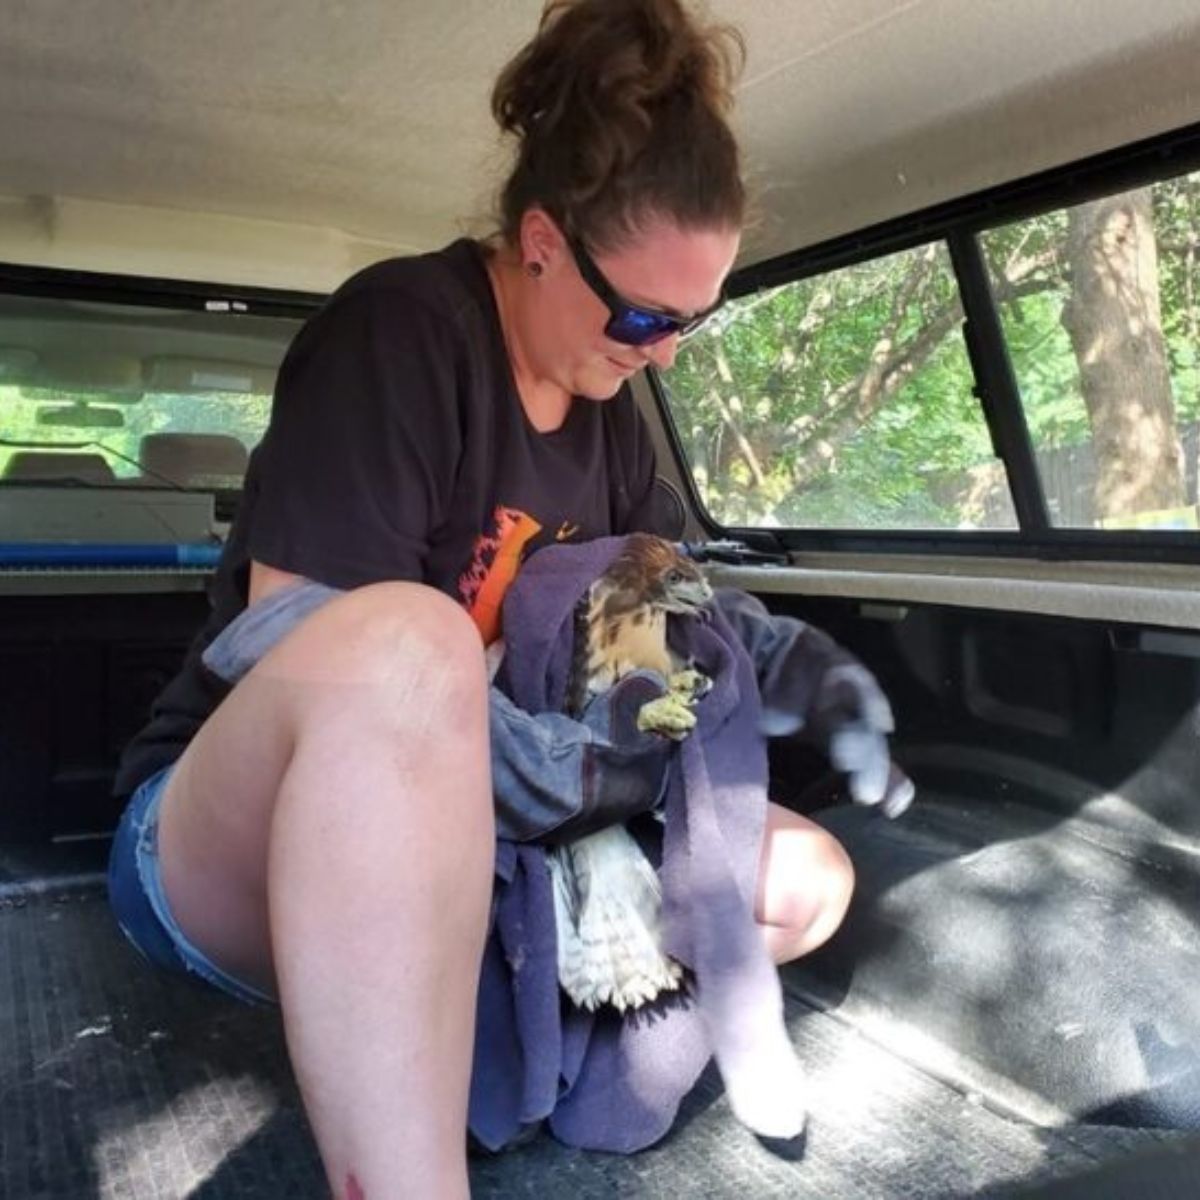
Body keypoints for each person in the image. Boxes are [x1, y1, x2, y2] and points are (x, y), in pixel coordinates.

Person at [106, 2, 863, 1196]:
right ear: (545, 242)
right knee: (408, 644)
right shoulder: (404, 333)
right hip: (223, 849)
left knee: (807, 878)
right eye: (645, 316)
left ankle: (535, 1007)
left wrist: (780, 660)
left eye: (692, 322)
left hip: (510, 849)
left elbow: (649, 619)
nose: (662, 351)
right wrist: (557, 770)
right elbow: (286, 632)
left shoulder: (615, 419)